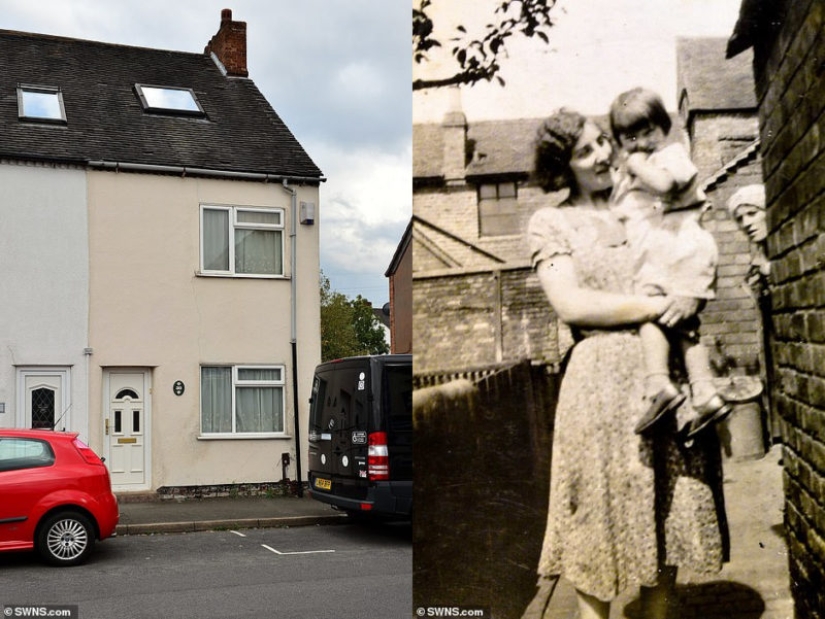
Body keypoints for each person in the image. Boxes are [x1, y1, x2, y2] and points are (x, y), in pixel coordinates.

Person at [524, 108, 728, 619]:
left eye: (601, 142)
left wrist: (692, 295)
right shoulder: (552, 222)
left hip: (666, 377)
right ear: (562, 167)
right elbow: (570, 303)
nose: (602, 155)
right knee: (597, 525)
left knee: (666, 524)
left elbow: (686, 254)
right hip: (599, 383)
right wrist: (657, 306)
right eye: (584, 151)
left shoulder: (640, 204)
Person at [608, 87, 730, 439]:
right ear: (619, 139)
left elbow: (664, 184)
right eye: (631, 136)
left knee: (648, 311)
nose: (642, 141)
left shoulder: (670, 156)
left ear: (664, 128)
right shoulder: (633, 171)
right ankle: (705, 393)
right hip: (668, 250)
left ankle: (659, 383)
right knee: (683, 326)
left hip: (680, 246)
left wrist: (635, 164)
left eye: (648, 132)